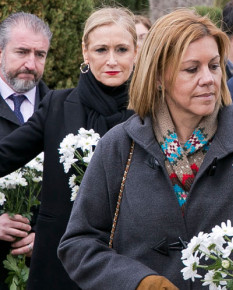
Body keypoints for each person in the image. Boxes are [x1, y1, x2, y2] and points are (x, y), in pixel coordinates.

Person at [58, 8, 233, 289]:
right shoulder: (119, 146)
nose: (208, 78)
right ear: (158, 76)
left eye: (214, 66)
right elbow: (78, 243)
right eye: (192, 69)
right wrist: (139, 282)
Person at [0, 7, 137, 289]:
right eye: (101, 50)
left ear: (136, 52)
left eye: (122, 49)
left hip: (131, 262)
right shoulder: (57, 106)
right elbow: (3, 156)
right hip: (59, 266)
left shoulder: (151, 113)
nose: (112, 60)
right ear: (85, 53)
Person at [0, 12, 51, 290]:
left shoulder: (63, 111)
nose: (31, 64)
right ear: (0, 52)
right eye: (21, 52)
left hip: (45, 271)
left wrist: (49, 236)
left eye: (40, 54)